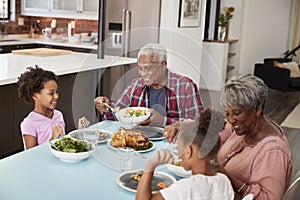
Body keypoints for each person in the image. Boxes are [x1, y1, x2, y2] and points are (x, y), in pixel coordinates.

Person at [164, 74, 293, 200]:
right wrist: (181, 126)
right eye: (227, 113)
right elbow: (210, 133)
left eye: (237, 113)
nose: (230, 120)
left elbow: (268, 197)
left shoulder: (273, 152)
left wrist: (227, 176)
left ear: (257, 110)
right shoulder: (245, 126)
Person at [94, 43, 203, 127]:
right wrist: (106, 107)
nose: (142, 74)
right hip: (139, 141)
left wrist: (163, 121)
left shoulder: (185, 86)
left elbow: (198, 124)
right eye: (140, 68)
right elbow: (117, 114)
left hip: (172, 143)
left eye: (148, 68)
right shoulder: (135, 85)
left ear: (163, 65)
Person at [136, 108, 234, 200]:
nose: (179, 156)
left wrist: (150, 166)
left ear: (188, 151)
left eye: (179, 150)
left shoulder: (184, 188)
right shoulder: (224, 181)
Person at [17, 66, 90, 150]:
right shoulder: (29, 123)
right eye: (51, 93)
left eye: (56, 92)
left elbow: (64, 145)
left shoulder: (58, 115)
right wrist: (53, 138)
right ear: (35, 95)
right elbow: (31, 156)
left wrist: (79, 131)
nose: (56, 96)